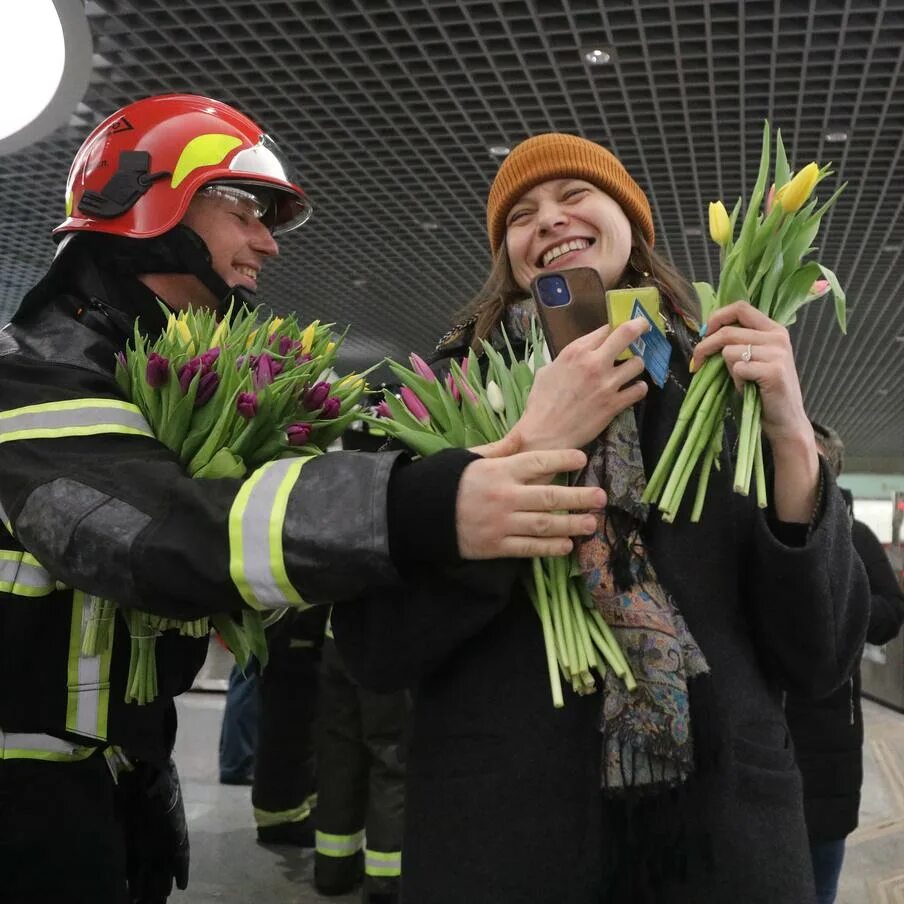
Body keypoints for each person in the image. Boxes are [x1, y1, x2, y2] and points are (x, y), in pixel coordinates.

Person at [0, 99, 605, 904]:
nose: (267, 241)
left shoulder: (120, 377)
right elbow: (154, 534)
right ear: (145, 200)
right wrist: (423, 506)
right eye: (244, 208)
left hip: (88, 792)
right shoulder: (25, 379)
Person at [332, 132, 871, 904]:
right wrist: (523, 456)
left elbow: (820, 654)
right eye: (521, 213)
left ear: (633, 224)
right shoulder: (440, 400)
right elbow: (376, 646)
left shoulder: (726, 386)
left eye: (574, 195)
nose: (548, 218)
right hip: (504, 839)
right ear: (508, 255)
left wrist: (791, 433)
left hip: (724, 838)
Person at [785, 422, 904, 904]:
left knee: (818, 885)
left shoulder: (856, 537)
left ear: (831, 471)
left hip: (829, 737)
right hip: (762, 735)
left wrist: (836, 609)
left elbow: (889, 614)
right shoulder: (750, 529)